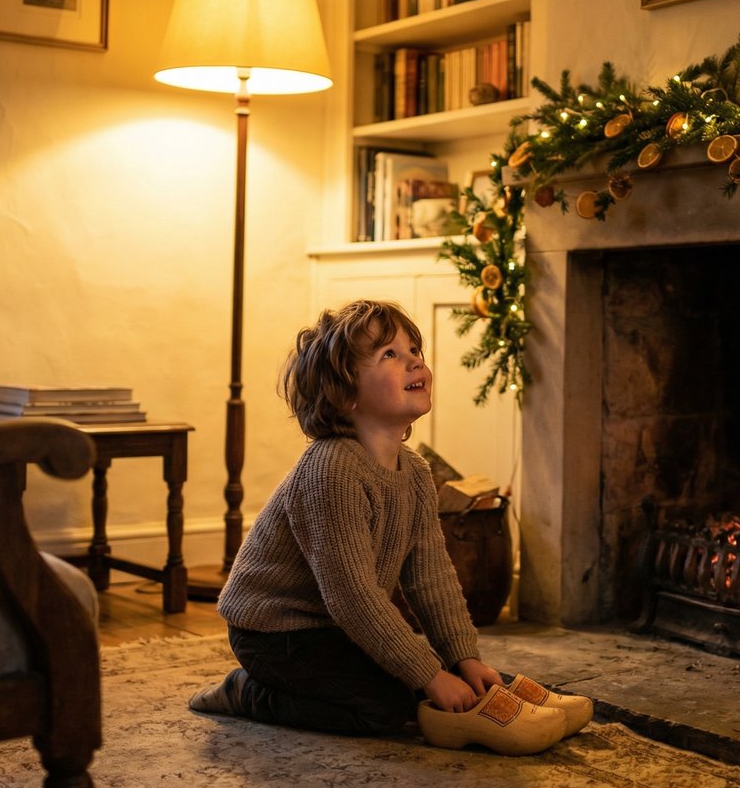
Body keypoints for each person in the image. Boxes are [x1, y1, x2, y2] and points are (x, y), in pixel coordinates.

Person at [188, 299, 506, 736]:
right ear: (345, 392)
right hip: (274, 632)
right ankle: (247, 690)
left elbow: (431, 576)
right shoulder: (332, 469)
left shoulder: (414, 471)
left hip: (335, 626)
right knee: (390, 708)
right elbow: (353, 596)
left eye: (414, 349)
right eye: (390, 354)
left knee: (421, 686)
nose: (414, 360)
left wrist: (462, 659)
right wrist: (431, 676)